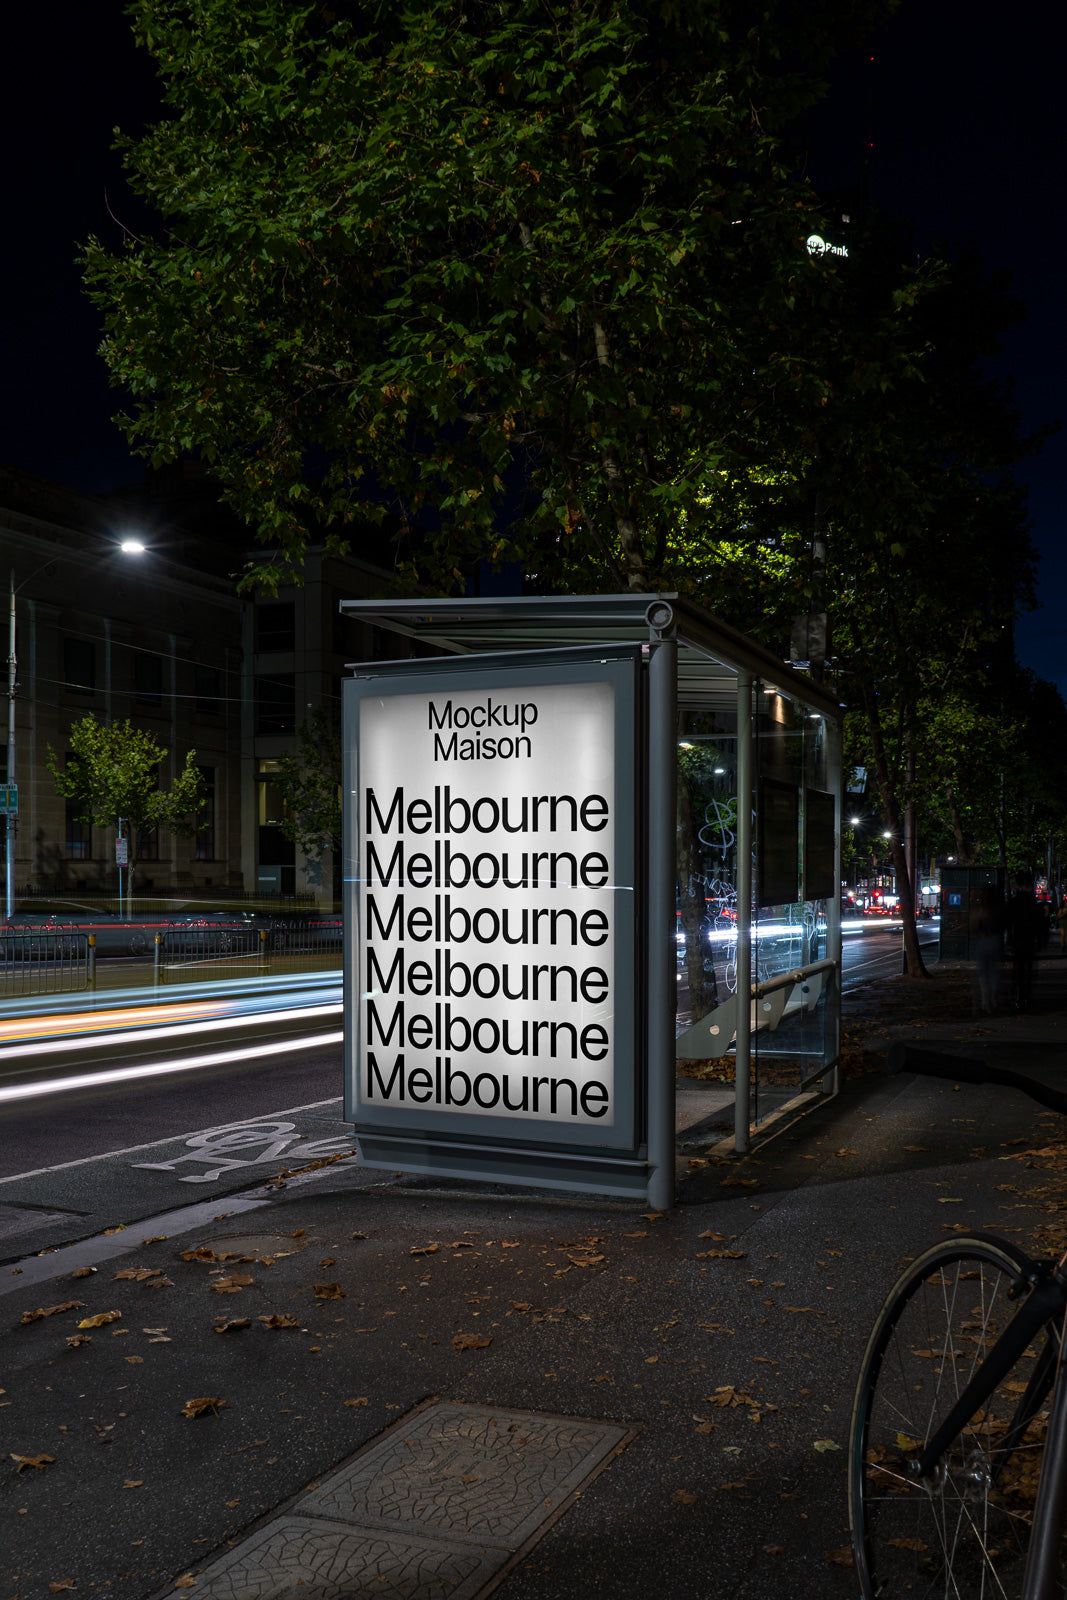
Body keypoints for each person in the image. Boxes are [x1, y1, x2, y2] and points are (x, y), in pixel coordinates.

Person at [1004, 878, 1043, 1013]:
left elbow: (1007, 921)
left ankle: (1019, 997)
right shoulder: (1033, 903)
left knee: (1019, 970)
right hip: (1029, 940)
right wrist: (1041, 941)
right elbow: (1040, 923)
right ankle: (1025, 997)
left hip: (1018, 939)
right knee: (1029, 970)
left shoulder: (1014, 902)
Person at [970, 884, 1002, 1016]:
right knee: (993, 972)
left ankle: (985, 1001)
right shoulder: (997, 909)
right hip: (994, 940)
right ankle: (993, 999)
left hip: (983, 941)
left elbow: (974, 924)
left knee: (983, 973)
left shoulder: (980, 909)